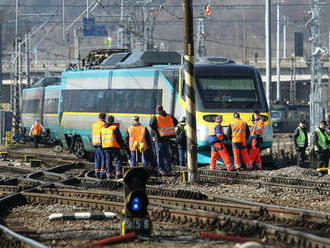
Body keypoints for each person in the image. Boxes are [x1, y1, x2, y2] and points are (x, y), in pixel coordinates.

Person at [149, 105, 178, 175]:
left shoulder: (155, 117)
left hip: (159, 138)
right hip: (167, 138)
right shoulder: (169, 116)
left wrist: (156, 129)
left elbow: (151, 124)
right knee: (167, 154)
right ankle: (169, 170)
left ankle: (162, 170)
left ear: (157, 110)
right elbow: (176, 123)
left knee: (159, 154)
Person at [101, 115, 125, 179]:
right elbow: (119, 138)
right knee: (118, 159)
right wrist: (122, 145)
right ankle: (118, 174)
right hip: (113, 146)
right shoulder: (115, 127)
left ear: (107, 120)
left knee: (108, 160)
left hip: (105, 146)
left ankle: (109, 174)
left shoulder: (103, 128)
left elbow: (101, 138)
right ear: (113, 120)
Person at [92, 113, 106, 179]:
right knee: (103, 158)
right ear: (104, 118)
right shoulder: (103, 124)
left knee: (97, 159)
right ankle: (102, 173)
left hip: (95, 143)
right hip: (101, 143)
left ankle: (97, 173)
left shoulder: (94, 124)